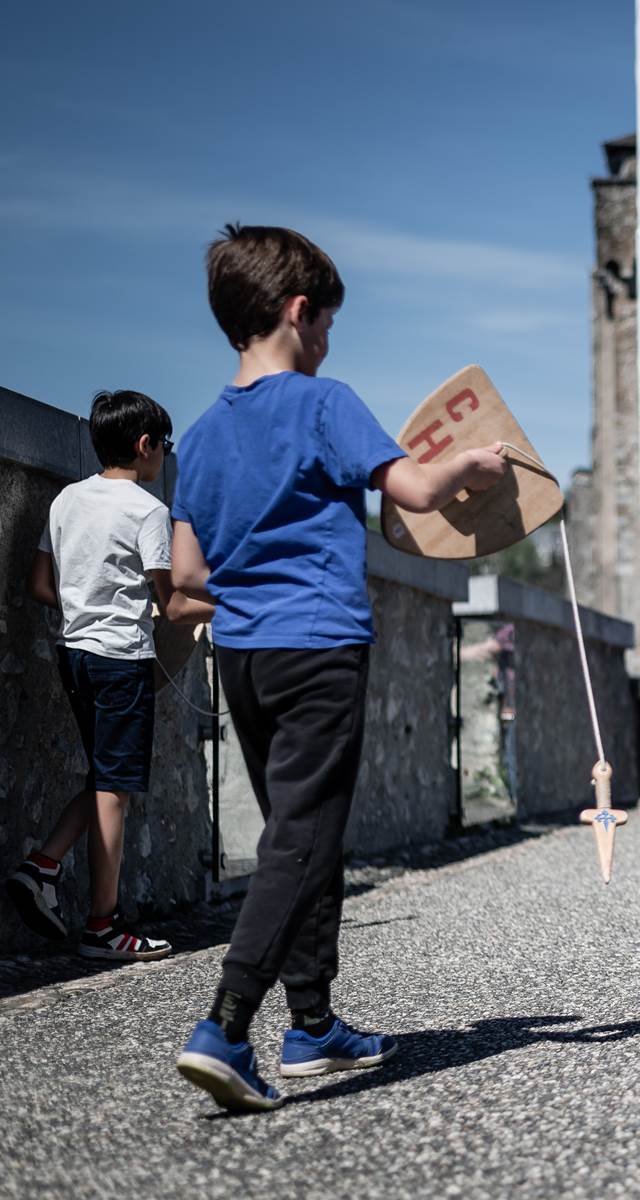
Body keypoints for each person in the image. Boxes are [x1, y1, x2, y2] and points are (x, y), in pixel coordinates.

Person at [169, 225, 506, 1111]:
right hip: (318, 644)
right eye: (324, 324)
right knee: (303, 837)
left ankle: (313, 1025)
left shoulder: (198, 438)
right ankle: (226, 1025)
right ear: (296, 312)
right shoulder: (324, 404)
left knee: (300, 830)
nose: (327, 342)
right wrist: (472, 462)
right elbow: (419, 493)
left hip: (241, 655)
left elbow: (188, 575)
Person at [5, 391, 213, 961]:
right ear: (145, 445)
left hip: (75, 653)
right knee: (115, 789)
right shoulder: (146, 511)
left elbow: (42, 587)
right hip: (122, 659)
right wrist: (232, 606)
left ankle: (43, 867)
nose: (164, 457)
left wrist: (88, 610)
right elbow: (172, 608)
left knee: (104, 777)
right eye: (163, 446)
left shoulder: (68, 500)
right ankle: (103, 925)